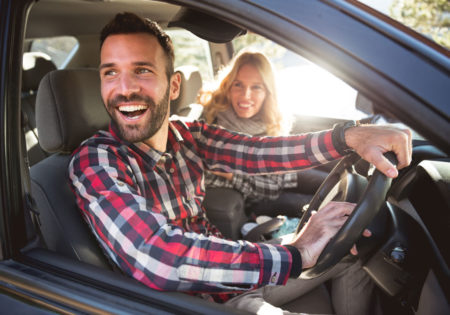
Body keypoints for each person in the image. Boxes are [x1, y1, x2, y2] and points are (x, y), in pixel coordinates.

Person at [69, 12, 412, 314]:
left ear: (173, 86)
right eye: (110, 73)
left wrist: (348, 138)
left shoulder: (186, 135)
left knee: (351, 250)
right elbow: (158, 257)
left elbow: (260, 152)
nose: (124, 88)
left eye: (141, 70)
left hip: (235, 271)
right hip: (195, 301)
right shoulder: (96, 161)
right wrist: (296, 253)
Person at [199, 50, 330, 218]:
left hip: (282, 176)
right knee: (319, 207)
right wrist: (230, 175)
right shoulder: (211, 124)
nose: (246, 95)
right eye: (238, 85)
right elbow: (269, 189)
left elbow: (278, 173)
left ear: (268, 92)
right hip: (256, 199)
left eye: (256, 87)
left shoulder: (269, 118)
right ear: (228, 86)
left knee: (334, 185)